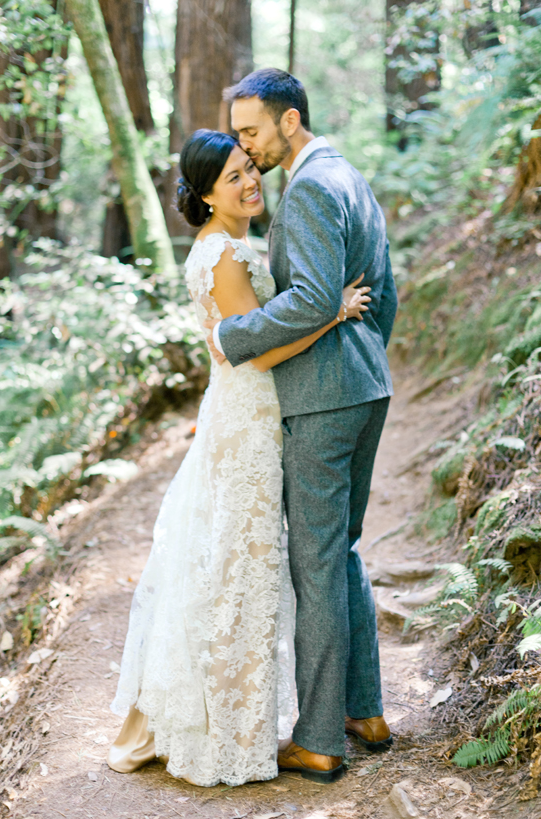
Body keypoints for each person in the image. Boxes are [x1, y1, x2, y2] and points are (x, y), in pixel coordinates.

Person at [107, 128, 371, 787]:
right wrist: (332, 313)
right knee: (236, 569)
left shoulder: (238, 242)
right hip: (245, 421)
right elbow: (259, 347)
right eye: (232, 176)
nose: (250, 179)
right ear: (203, 194)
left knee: (240, 565)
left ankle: (237, 722)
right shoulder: (221, 252)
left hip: (255, 415)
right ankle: (224, 733)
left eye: (249, 166)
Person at [205, 68, 398, 781]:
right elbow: (387, 290)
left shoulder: (311, 186)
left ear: (290, 120)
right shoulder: (345, 173)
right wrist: (366, 350)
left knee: (315, 561)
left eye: (251, 131)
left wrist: (237, 336)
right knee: (339, 550)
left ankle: (319, 737)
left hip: (323, 396)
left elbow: (316, 296)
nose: (245, 147)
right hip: (364, 381)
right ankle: (363, 708)